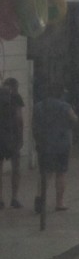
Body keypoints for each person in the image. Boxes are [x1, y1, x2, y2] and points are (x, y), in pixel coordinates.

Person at [33, 82, 78, 213]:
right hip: (62, 144)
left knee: (45, 173)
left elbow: (34, 125)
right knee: (61, 172)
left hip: (45, 143)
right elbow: (74, 119)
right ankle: (59, 202)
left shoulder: (39, 106)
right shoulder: (65, 106)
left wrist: (38, 140)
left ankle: (40, 199)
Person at [0, 77, 25, 209]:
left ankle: (0, 199)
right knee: (16, 169)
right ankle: (14, 198)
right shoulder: (16, 97)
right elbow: (19, 118)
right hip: (12, 137)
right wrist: (21, 138)